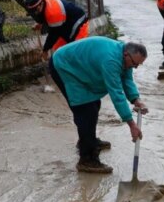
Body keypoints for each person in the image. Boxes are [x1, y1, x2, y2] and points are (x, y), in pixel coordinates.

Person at [48, 36, 148, 173]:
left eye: (138, 65)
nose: (135, 67)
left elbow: (127, 80)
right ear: (126, 54)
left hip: (80, 67)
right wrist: (131, 124)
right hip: (65, 67)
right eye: (134, 64)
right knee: (85, 110)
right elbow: (116, 93)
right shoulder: (111, 60)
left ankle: (88, 140)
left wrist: (135, 99)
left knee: (94, 104)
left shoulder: (126, 57)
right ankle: (87, 160)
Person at [25, 0, 90, 56]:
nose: (35, 13)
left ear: (41, 4)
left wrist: (45, 50)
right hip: (63, 21)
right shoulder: (41, 0)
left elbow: (53, 35)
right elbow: (43, 14)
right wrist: (40, 24)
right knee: (59, 50)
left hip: (78, 21)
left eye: (36, 11)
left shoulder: (53, 13)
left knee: (75, 48)